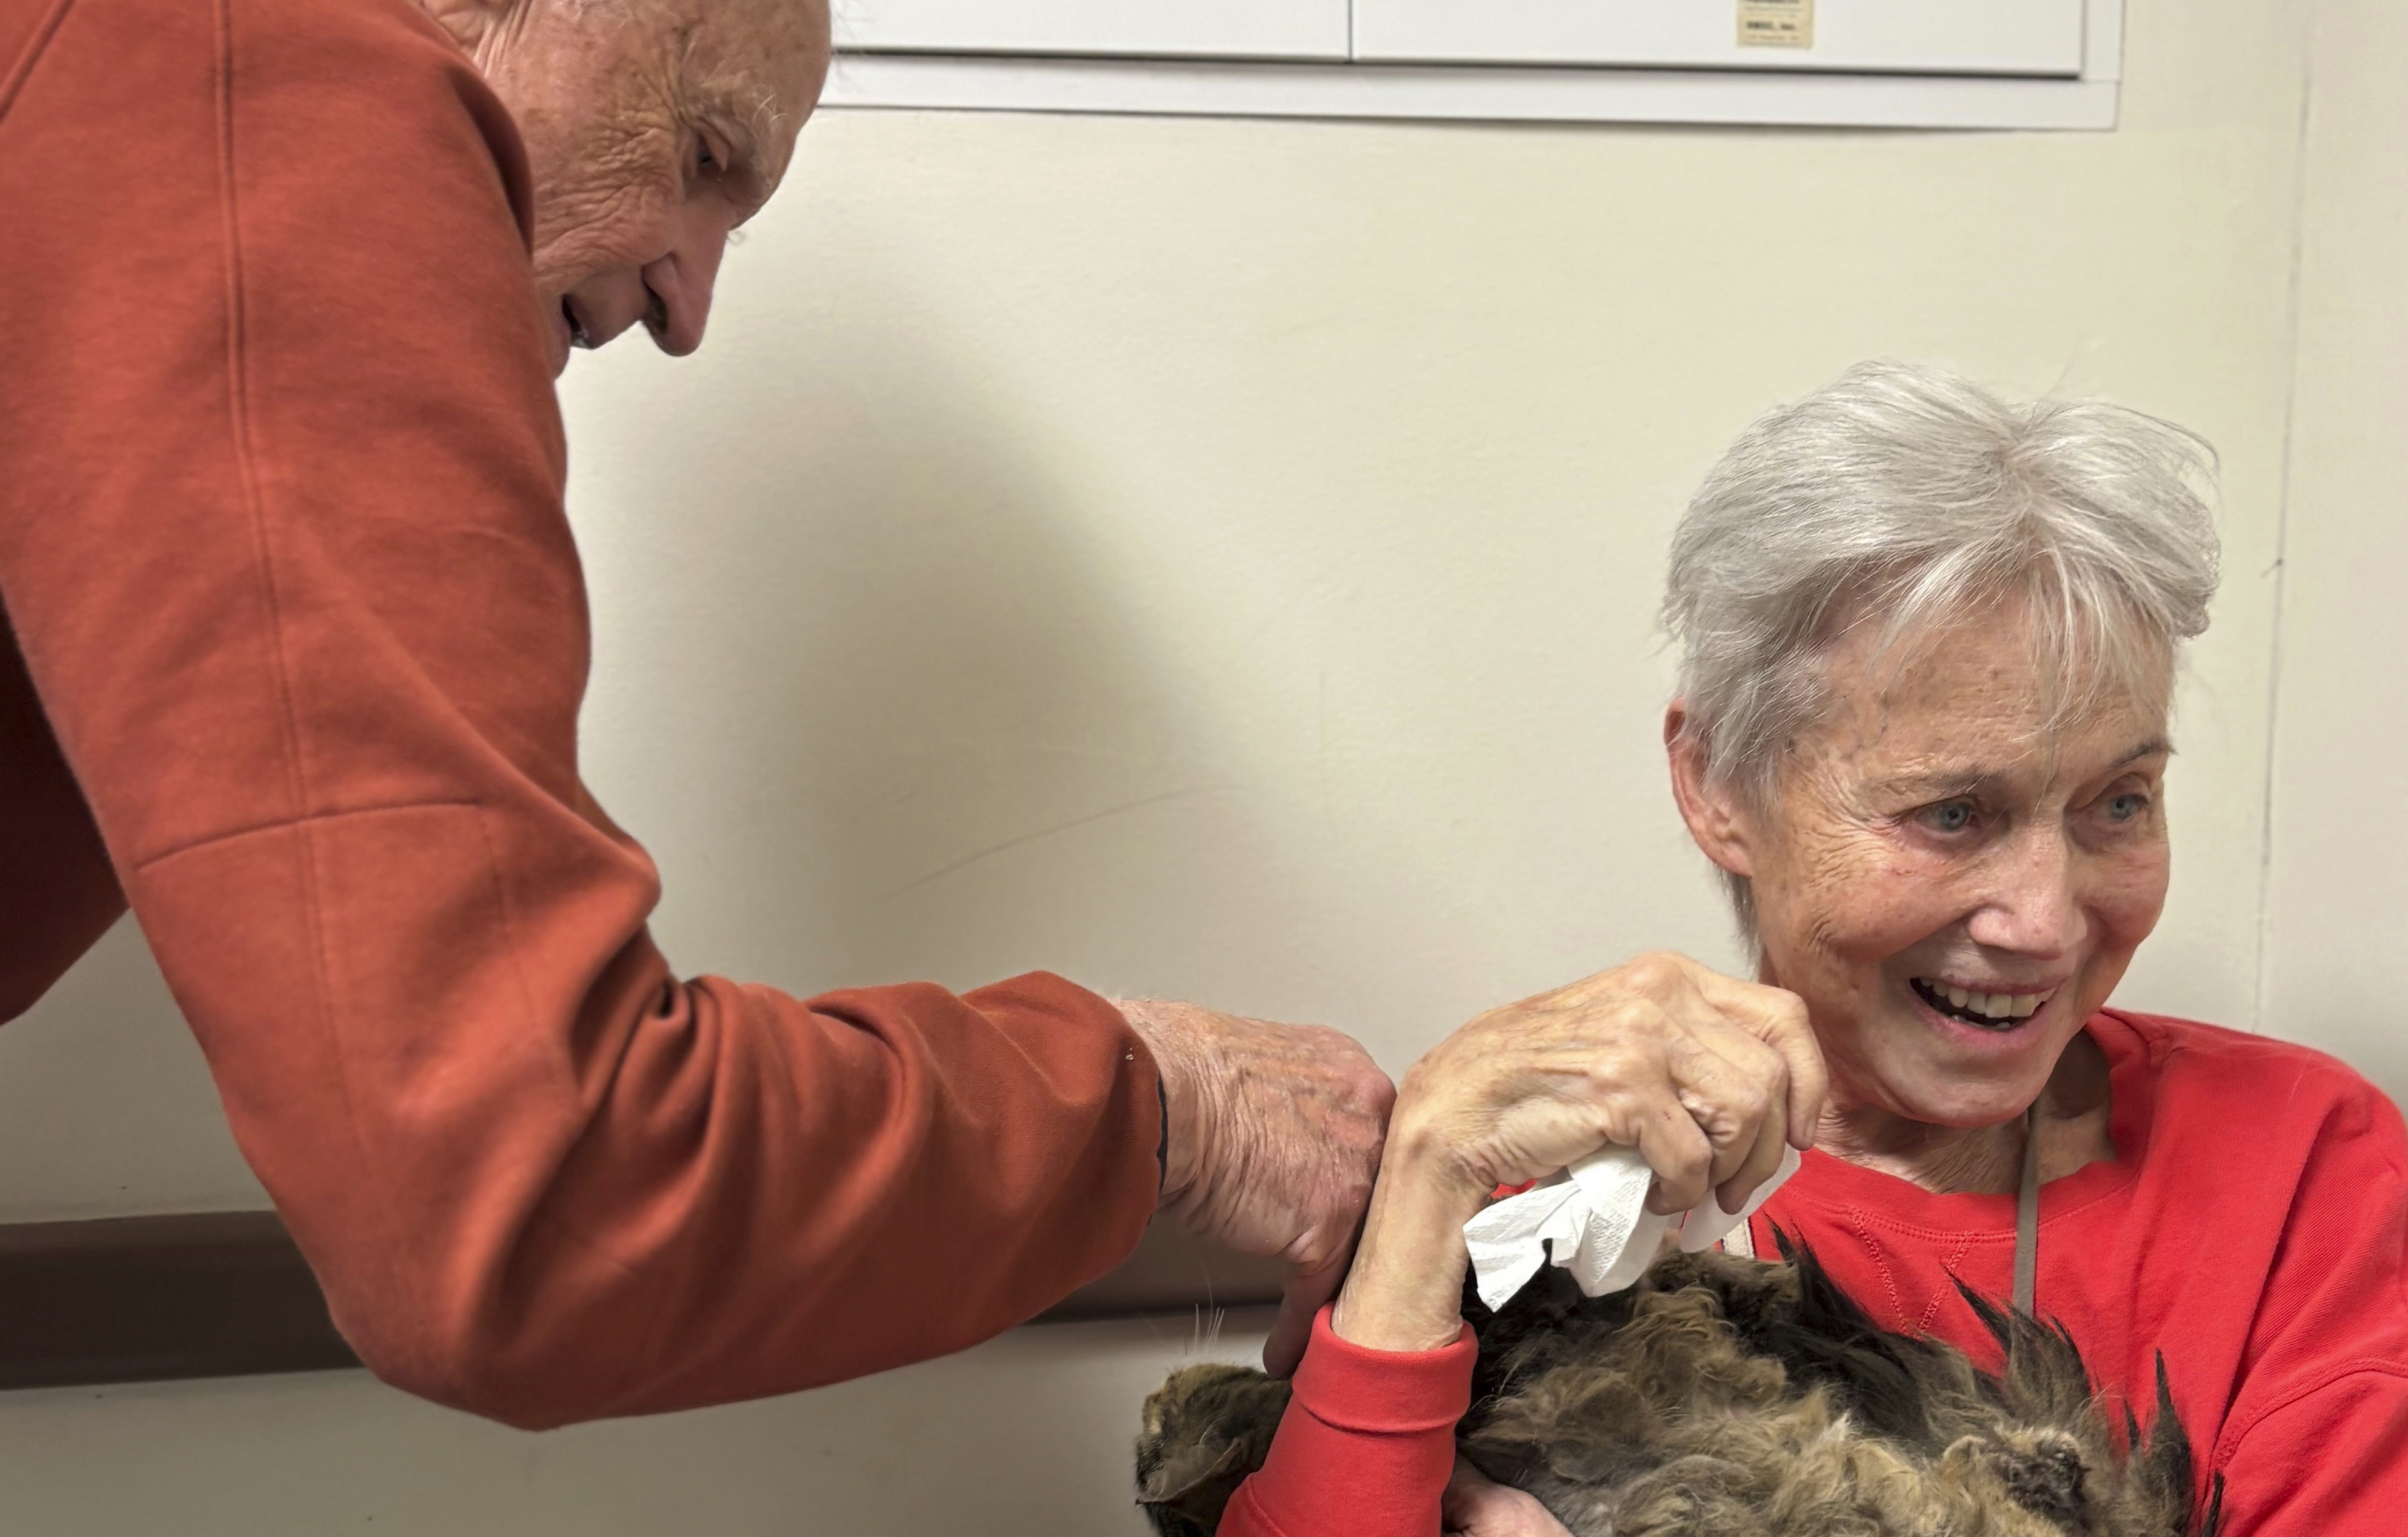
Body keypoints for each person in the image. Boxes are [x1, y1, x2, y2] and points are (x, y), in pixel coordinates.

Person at [1096, 364, 2408, 1537]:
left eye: (2118, 801)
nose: (2047, 920)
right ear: (1718, 787)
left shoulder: (2282, 1164)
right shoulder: (1549, 1152)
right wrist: (1417, 1201)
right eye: (1951, 813)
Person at [0, 0, 1389, 1427]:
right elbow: (534, 1207)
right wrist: (1164, 1103)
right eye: (704, 150)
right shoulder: (239, 64)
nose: (687, 306)